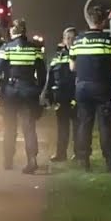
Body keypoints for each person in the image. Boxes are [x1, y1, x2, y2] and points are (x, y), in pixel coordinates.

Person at [0, 19, 46, 173]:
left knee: (10, 127)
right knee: (29, 127)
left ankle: (8, 159)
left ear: (12, 31)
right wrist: (38, 89)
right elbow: (42, 73)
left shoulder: (6, 48)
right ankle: (32, 160)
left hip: (11, 92)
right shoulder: (35, 49)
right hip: (29, 90)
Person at [70, 6, 111, 172]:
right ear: (103, 21)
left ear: (88, 21)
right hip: (102, 87)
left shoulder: (77, 41)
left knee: (84, 124)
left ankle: (83, 161)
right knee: (105, 125)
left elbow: (72, 67)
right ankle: (110, 163)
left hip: (83, 87)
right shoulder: (109, 40)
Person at [43, 27, 78, 163]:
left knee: (78, 127)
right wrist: (48, 94)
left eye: (73, 38)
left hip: (77, 95)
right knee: (62, 127)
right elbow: (50, 76)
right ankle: (61, 154)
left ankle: (79, 154)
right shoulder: (58, 57)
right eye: (67, 38)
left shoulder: (81, 54)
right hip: (61, 96)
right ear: (63, 40)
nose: (70, 41)